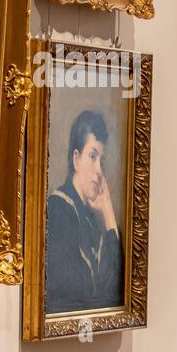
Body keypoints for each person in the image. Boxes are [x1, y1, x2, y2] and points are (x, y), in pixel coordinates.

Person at [44, 110, 122, 313]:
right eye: (92, 156)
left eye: (101, 161)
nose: (99, 170)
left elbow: (115, 288)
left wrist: (108, 212)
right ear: (76, 159)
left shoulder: (89, 219)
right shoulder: (59, 210)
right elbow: (83, 295)